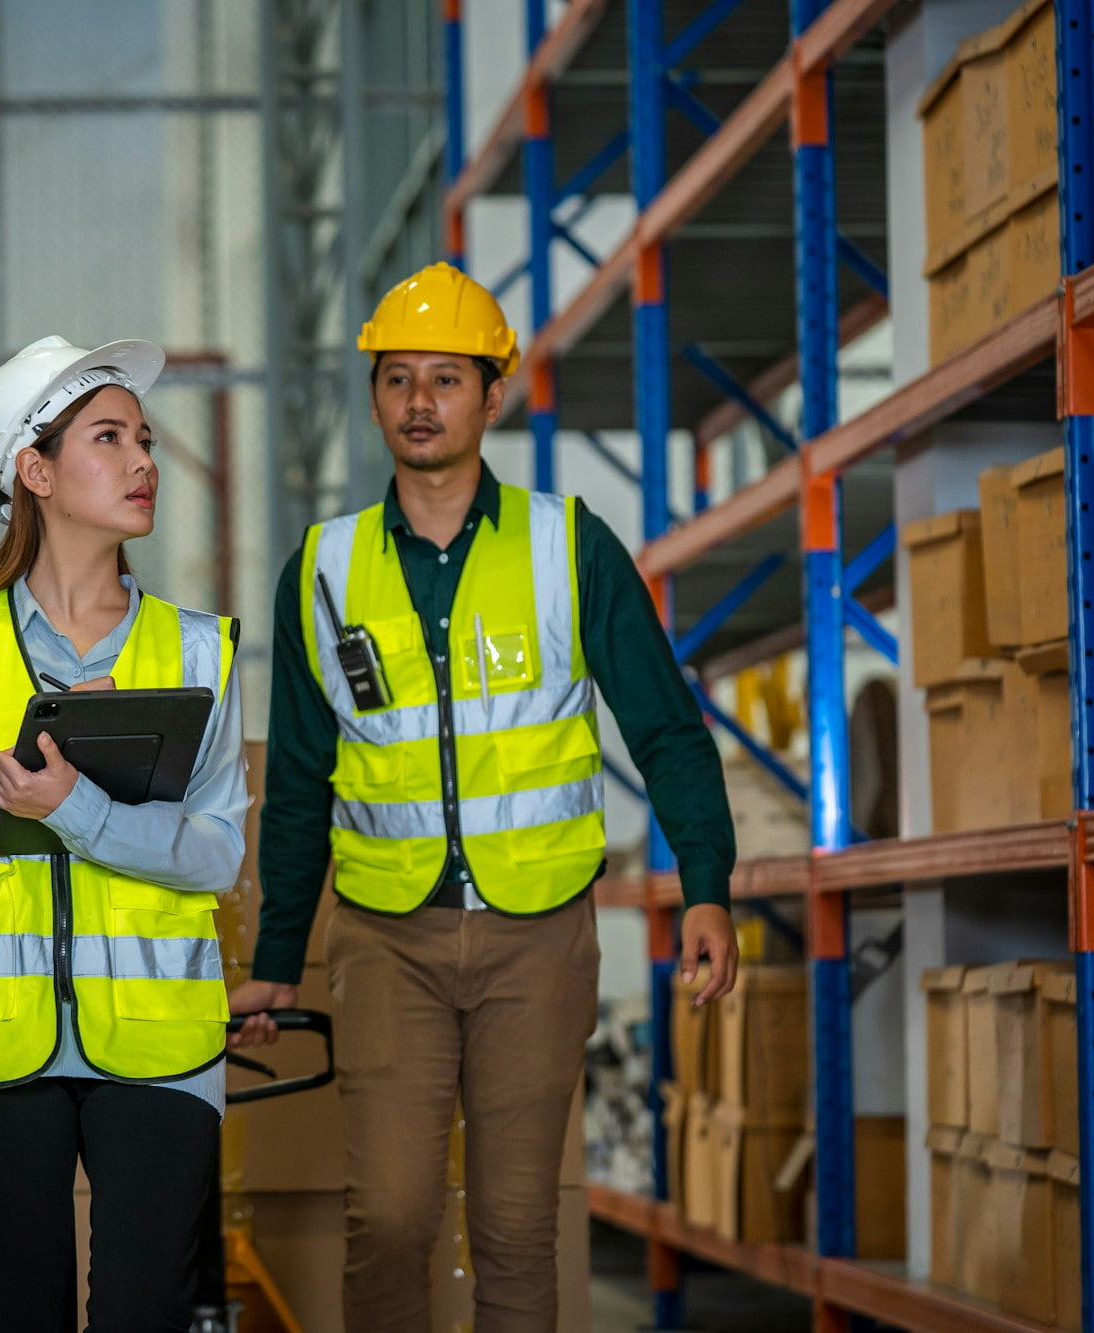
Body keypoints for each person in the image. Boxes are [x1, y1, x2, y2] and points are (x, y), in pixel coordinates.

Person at [228, 263, 740, 1330]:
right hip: (384, 935)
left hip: (536, 934)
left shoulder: (568, 546)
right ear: (374, 396)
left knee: (514, 1229)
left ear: (490, 396)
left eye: (446, 379)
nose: (420, 402)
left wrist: (704, 885)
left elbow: (665, 729)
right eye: (398, 379)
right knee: (395, 1216)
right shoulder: (321, 570)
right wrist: (276, 959)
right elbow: (298, 787)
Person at [0, 335, 258, 1332]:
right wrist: (8, 790)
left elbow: (216, 851)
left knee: (144, 1310)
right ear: (34, 471)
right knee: (17, 1312)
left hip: (159, 1046)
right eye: (109, 437)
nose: (143, 463)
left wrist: (72, 808)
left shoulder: (197, 648)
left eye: (144, 440)